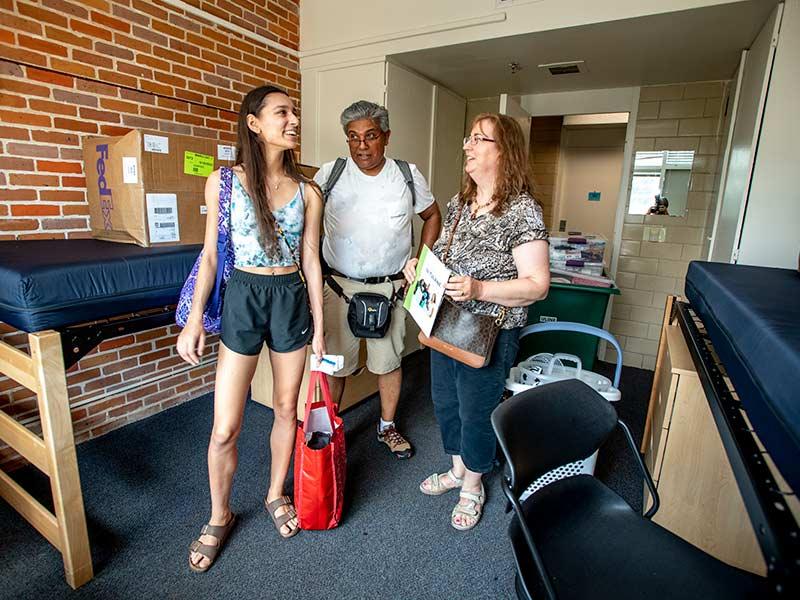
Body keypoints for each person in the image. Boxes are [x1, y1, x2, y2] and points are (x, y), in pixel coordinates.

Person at [177, 85, 325, 571]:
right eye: (282, 112)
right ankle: (219, 515)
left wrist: (320, 330)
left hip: (289, 299)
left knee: (287, 408)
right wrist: (195, 317)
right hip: (243, 294)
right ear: (254, 123)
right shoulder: (223, 182)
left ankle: (274, 494)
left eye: (295, 113)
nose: (293, 120)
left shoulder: (309, 192)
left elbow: (310, 260)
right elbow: (212, 254)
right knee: (225, 428)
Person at [404, 113, 550, 530]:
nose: (466, 146)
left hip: (489, 333)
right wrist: (422, 265)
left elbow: (538, 285)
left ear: (503, 151)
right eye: (467, 138)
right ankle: (456, 469)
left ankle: (473, 484)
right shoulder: (459, 203)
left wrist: (480, 289)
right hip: (446, 325)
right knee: (445, 403)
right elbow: (450, 263)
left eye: (477, 139)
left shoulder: (522, 211)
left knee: (476, 411)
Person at [314, 100, 442, 459]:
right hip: (340, 287)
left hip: (392, 288)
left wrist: (421, 258)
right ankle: (328, 428)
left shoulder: (406, 174)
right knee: (336, 363)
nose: (361, 146)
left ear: (386, 137)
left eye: (370, 136)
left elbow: (433, 216)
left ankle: (387, 427)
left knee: (389, 362)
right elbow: (304, 221)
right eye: (353, 138)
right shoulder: (330, 174)